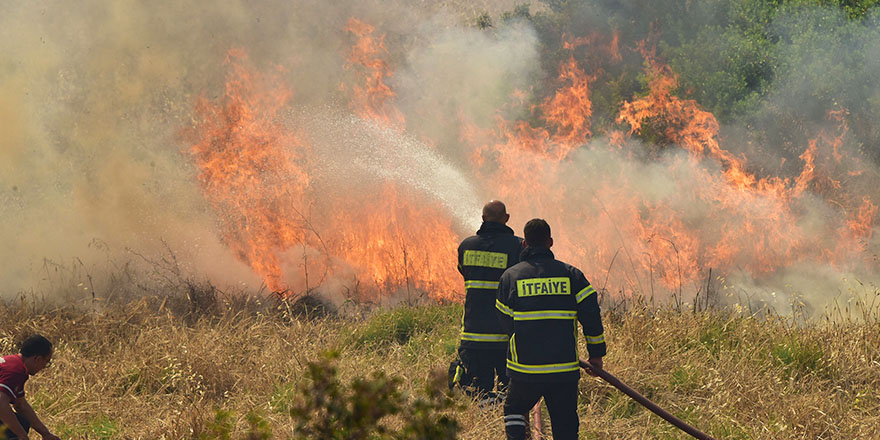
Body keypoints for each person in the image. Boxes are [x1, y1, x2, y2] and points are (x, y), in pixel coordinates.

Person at [495, 218, 606, 440]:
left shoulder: (511, 277)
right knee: (565, 425)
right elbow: (591, 316)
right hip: (563, 371)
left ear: (524, 244)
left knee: (515, 410)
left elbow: (505, 321)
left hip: (525, 370)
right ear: (551, 242)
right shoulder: (572, 275)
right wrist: (596, 356)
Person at [453, 200, 523, 402]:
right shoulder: (518, 246)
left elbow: (462, 271)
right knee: (509, 394)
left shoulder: (466, 246)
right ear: (506, 218)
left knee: (478, 394)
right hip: (505, 336)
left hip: (474, 336)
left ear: (483, 218)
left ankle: (483, 426)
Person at [0, 334, 61, 440]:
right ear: (37, 359)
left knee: (22, 422)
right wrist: (22, 435)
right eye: (46, 362)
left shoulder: (14, 364)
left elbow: (21, 405)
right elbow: (1, 404)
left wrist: (45, 433)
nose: (44, 367)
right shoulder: (15, 371)